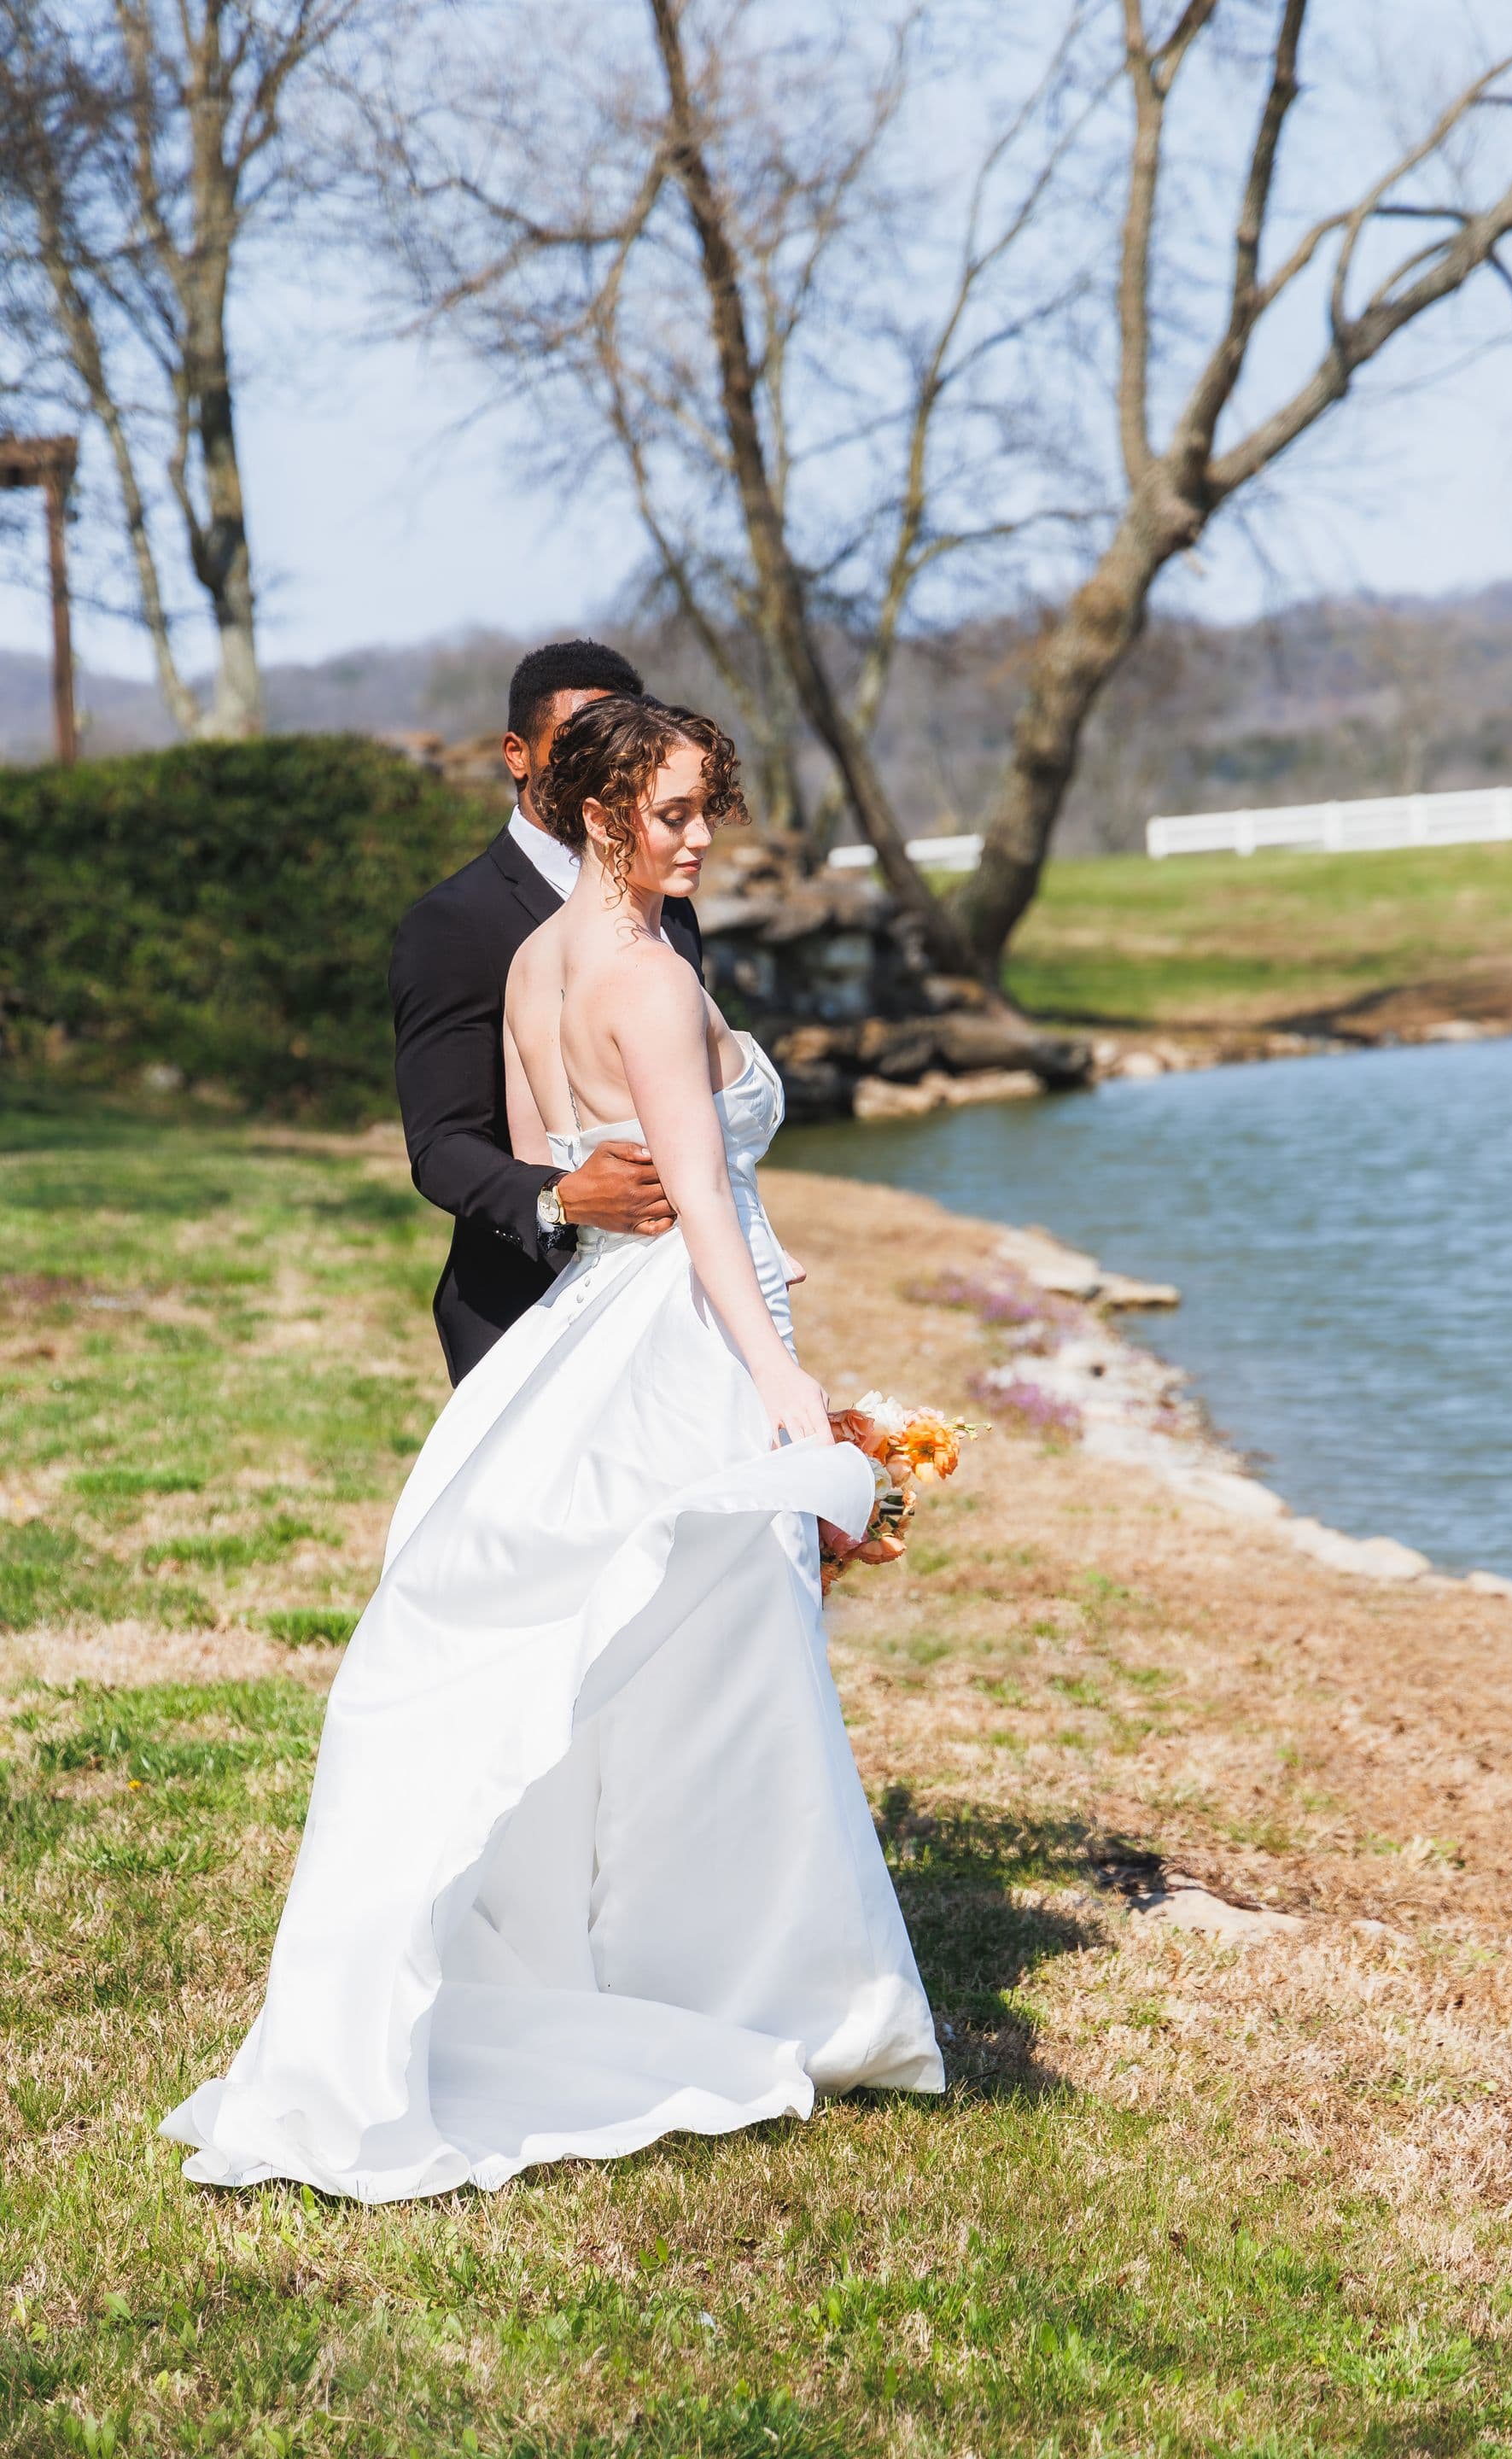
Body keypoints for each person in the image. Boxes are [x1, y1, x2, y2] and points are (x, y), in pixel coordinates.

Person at [161, 695, 943, 2202]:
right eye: (675, 814)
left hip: (588, 1326)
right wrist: (781, 1376)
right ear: (600, 814)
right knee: (727, 1669)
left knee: (617, 1664)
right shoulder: (647, 976)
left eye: (708, 809)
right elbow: (698, 1203)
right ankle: (764, 1996)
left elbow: (555, 1164)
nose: (701, 839)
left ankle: (618, 1960)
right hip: (685, 1341)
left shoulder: (537, 965)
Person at [390, 638, 703, 1385]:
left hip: (675, 1295)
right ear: (517, 754)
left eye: (618, 743)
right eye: (573, 743)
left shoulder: (670, 906)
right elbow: (441, 1145)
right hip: (527, 1308)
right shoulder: (454, 922)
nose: (598, 763)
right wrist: (561, 1199)